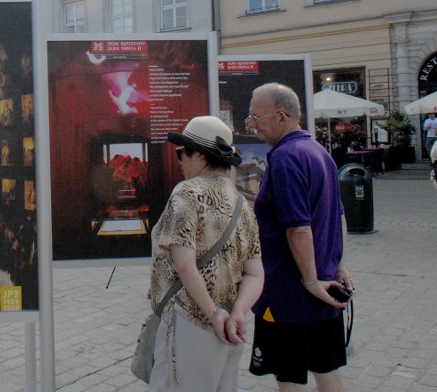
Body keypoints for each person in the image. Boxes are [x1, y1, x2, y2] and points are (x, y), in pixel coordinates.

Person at [246, 83, 353, 391]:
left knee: (289, 376)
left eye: (256, 117)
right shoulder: (319, 152)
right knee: (327, 369)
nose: (252, 125)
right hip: (324, 289)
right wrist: (337, 266)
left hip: (289, 294)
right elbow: (338, 215)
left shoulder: (285, 158)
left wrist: (309, 280)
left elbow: (298, 228)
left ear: (281, 116)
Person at [148, 116, 263, 391]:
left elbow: (185, 264)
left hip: (189, 322)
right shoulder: (241, 203)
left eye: (181, 153)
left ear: (199, 155)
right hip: (229, 328)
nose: (179, 161)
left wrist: (213, 315)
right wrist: (236, 313)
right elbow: (256, 274)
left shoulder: (187, 193)